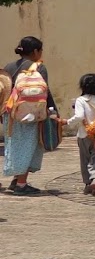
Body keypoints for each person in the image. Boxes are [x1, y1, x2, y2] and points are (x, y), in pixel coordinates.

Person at [4, 36, 57, 195]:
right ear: (35, 51)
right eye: (40, 50)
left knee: (15, 146)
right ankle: (21, 184)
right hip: (31, 114)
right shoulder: (39, 67)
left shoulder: (9, 66)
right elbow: (44, 93)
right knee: (29, 146)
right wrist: (53, 112)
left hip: (12, 114)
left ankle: (16, 179)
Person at [67, 73, 95, 196]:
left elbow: (79, 116)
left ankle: (88, 183)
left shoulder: (81, 100)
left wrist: (67, 122)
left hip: (84, 134)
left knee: (85, 159)